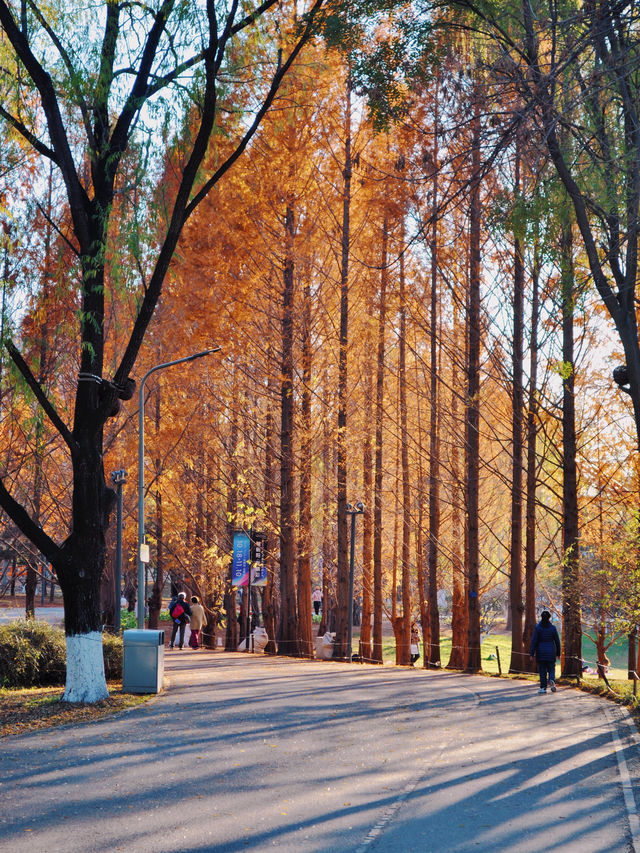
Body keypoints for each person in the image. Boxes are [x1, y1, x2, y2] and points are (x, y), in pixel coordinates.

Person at [530, 609, 561, 694]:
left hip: (540, 652)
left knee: (542, 671)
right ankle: (551, 680)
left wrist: (531, 653)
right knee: (551, 668)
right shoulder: (553, 628)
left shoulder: (538, 628)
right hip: (551, 652)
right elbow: (557, 641)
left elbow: (534, 641)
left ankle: (543, 688)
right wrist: (558, 653)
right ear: (549, 618)